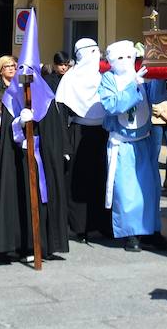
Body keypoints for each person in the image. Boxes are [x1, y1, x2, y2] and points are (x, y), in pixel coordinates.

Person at [0, 11, 69, 262]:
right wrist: (20, 124)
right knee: (19, 199)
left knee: (43, 199)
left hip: (43, 158)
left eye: (28, 70)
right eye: (20, 69)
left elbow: (55, 129)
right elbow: (10, 135)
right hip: (19, 160)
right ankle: (19, 244)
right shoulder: (11, 97)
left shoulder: (48, 96)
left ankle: (41, 244)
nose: (25, 75)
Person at [99, 40, 167, 253]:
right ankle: (131, 234)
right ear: (112, 60)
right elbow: (112, 105)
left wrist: (159, 75)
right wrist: (133, 85)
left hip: (145, 141)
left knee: (149, 189)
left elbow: (158, 98)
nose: (125, 62)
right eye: (120, 58)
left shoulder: (141, 76)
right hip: (123, 143)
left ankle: (152, 230)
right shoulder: (108, 79)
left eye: (128, 57)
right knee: (126, 190)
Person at [57, 38, 114, 243]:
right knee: (78, 181)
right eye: (89, 52)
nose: (94, 56)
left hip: (103, 133)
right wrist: (64, 145)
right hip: (78, 135)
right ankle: (78, 226)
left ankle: (102, 223)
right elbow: (61, 113)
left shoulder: (103, 77)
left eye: (95, 51)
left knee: (102, 179)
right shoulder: (69, 79)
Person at [146, 78, 167, 193]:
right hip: (157, 120)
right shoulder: (154, 81)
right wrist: (164, 115)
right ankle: (153, 180)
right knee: (156, 150)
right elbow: (151, 102)